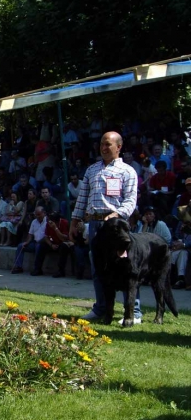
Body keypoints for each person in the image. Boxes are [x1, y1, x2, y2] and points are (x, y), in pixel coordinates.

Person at [69, 132, 138, 321]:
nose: (104, 148)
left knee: (126, 266)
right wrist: (74, 222)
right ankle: (100, 308)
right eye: (101, 144)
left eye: (108, 144)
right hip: (95, 224)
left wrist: (117, 214)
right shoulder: (92, 170)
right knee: (98, 267)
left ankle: (133, 311)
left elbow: (131, 200)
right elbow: (82, 199)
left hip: (117, 225)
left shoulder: (127, 171)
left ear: (119, 147)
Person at [11, 207, 48, 275]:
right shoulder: (34, 221)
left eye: (39, 214)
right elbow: (30, 234)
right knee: (20, 246)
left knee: (39, 247)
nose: (37, 216)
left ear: (44, 213)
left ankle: (37, 269)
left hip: (44, 243)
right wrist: (27, 242)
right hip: (35, 242)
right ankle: (18, 267)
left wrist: (40, 242)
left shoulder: (48, 221)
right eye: (36, 215)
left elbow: (47, 236)